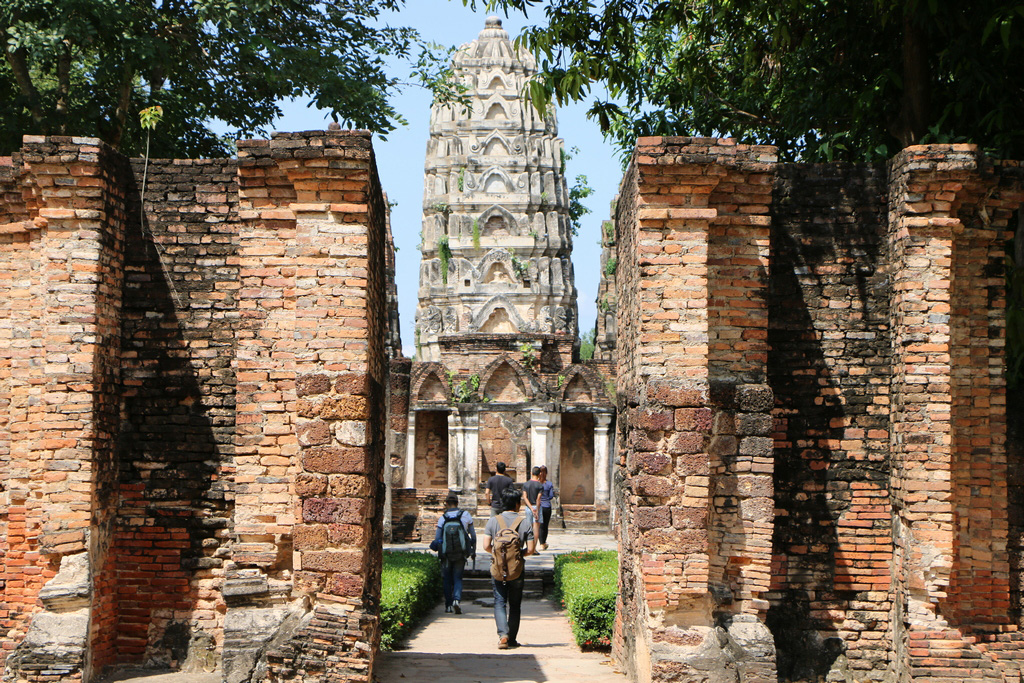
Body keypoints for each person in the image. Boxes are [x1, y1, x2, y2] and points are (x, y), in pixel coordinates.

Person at [482, 486, 536, 649]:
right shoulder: (525, 522)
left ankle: (503, 635)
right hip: (517, 569)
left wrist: (499, 555)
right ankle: (511, 639)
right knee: (515, 604)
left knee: (499, 601)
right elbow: (532, 549)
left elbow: (485, 546)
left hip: (498, 568)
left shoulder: (493, 521)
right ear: (517, 504)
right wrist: (518, 555)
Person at [432, 493, 475, 614]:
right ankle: (457, 599)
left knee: (446, 579)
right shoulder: (465, 515)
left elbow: (437, 538)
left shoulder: (443, 518)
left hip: (446, 553)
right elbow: (473, 536)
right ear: (457, 502)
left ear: (446, 504)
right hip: (461, 553)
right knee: (458, 577)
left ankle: (448, 605)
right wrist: (473, 551)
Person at [522, 466, 543, 541]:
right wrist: (536, 510)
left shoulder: (526, 484)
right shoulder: (540, 485)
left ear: (531, 473)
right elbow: (538, 499)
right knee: (536, 528)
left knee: (529, 527)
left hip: (528, 507)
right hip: (537, 507)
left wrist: (531, 508)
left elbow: (525, 497)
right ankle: (534, 548)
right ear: (539, 474)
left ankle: (529, 546)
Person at [537, 465, 555, 550]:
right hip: (547, 506)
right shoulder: (549, 484)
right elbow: (551, 496)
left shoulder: (536, 484)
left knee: (540, 525)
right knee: (546, 526)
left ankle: (541, 543)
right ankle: (544, 542)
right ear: (546, 473)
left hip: (539, 506)